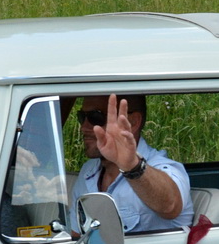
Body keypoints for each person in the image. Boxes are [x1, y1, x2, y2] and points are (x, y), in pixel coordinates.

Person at [70, 93, 193, 233]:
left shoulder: (164, 169)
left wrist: (133, 166)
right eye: (81, 117)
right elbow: (76, 236)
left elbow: (170, 206)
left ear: (133, 122)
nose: (84, 127)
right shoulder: (88, 172)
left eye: (95, 117)